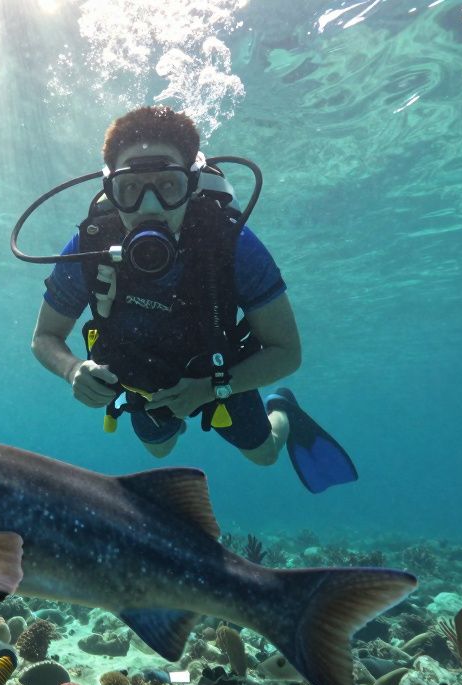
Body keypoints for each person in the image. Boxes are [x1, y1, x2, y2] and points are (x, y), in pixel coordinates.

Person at [28, 106, 356, 492]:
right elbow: (44, 337)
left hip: (221, 376)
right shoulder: (91, 244)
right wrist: (71, 369)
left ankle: (281, 407)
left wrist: (209, 390)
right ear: (110, 189)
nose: (150, 208)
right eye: (130, 188)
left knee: (265, 454)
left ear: (192, 183)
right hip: (140, 381)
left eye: (168, 185)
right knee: (159, 451)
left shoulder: (231, 244)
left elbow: (287, 351)